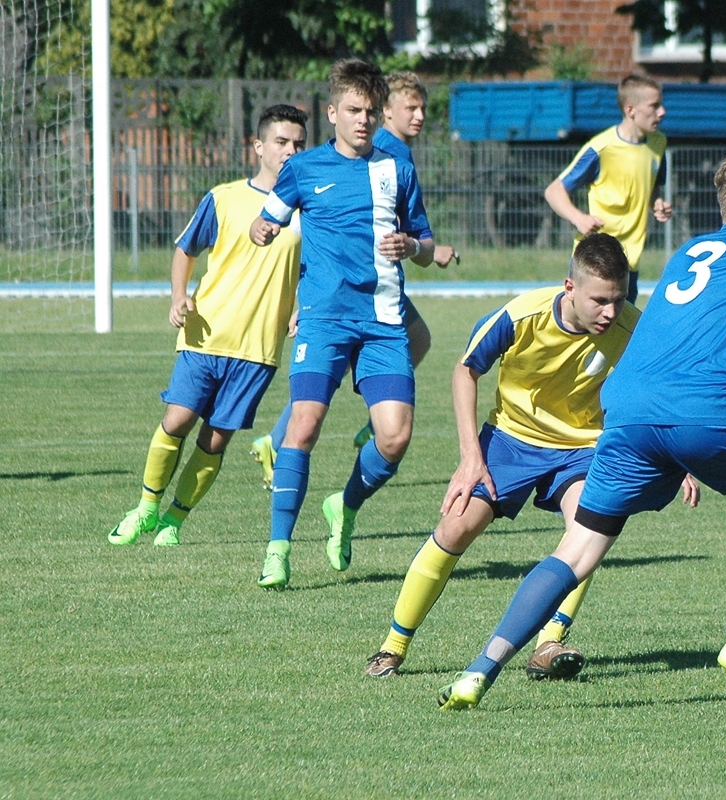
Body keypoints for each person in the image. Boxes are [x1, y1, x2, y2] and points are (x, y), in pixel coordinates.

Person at [438, 152, 726, 710]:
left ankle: (477, 672)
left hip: (627, 410)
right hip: (705, 412)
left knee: (578, 548)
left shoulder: (684, 254)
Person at [365, 232, 697, 680]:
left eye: (618, 299)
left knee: (588, 529)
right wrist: (470, 458)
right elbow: (466, 370)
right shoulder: (522, 316)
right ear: (570, 288)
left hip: (583, 446)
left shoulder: (633, 328)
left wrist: (676, 458)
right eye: (599, 300)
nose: (611, 312)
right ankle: (393, 646)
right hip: (510, 438)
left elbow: (662, 390)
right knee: (457, 524)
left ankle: (549, 642)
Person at [249, 59, 432, 589]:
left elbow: (424, 243)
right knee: (302, 428)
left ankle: (344, 506)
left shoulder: (397, 169)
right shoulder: (303, 169)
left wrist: (413, 245)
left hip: (382, 320)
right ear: (332, 113)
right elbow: (272, 216)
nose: (363, 120)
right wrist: (262, 229)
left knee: (394, 439)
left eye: (371, 112)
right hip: (324, 320)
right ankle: (278, 549)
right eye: (353, 110)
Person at [105, 105, 309, 548]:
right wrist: (179, 296)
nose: (290, 150)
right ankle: (145, 508)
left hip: (258, 348)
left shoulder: (307, 210)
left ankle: (175, 521)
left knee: (215, 440)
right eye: (281, 141)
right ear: (258, 147)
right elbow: (185, 250)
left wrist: (301, 307)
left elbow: (310, 270)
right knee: (177, 420)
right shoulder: (225, 198)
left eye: (298, 143)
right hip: (207, 332)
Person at [248, 71, 460, 489]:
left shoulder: (395, 156)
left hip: (374, 283)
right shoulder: (380, 150)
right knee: (350, 355)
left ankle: (373, 415)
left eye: (422, 108)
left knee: (415, 340)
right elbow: (314, 231)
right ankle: (283, 438)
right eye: (409, 108)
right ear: (388, 111)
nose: (418, 116)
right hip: (347, 288)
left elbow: (409, 230)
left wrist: (421, 248)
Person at [544, 74, 673, 304]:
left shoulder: (658, 143)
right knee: (584, 331)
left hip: (628, 262)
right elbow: (554, 191)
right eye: (654, 106)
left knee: (619, 335)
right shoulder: (601, 149)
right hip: (593, 261)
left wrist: (657, 203)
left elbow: (650, 185)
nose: (662, 112)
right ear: (631, 110)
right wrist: (579, 218)